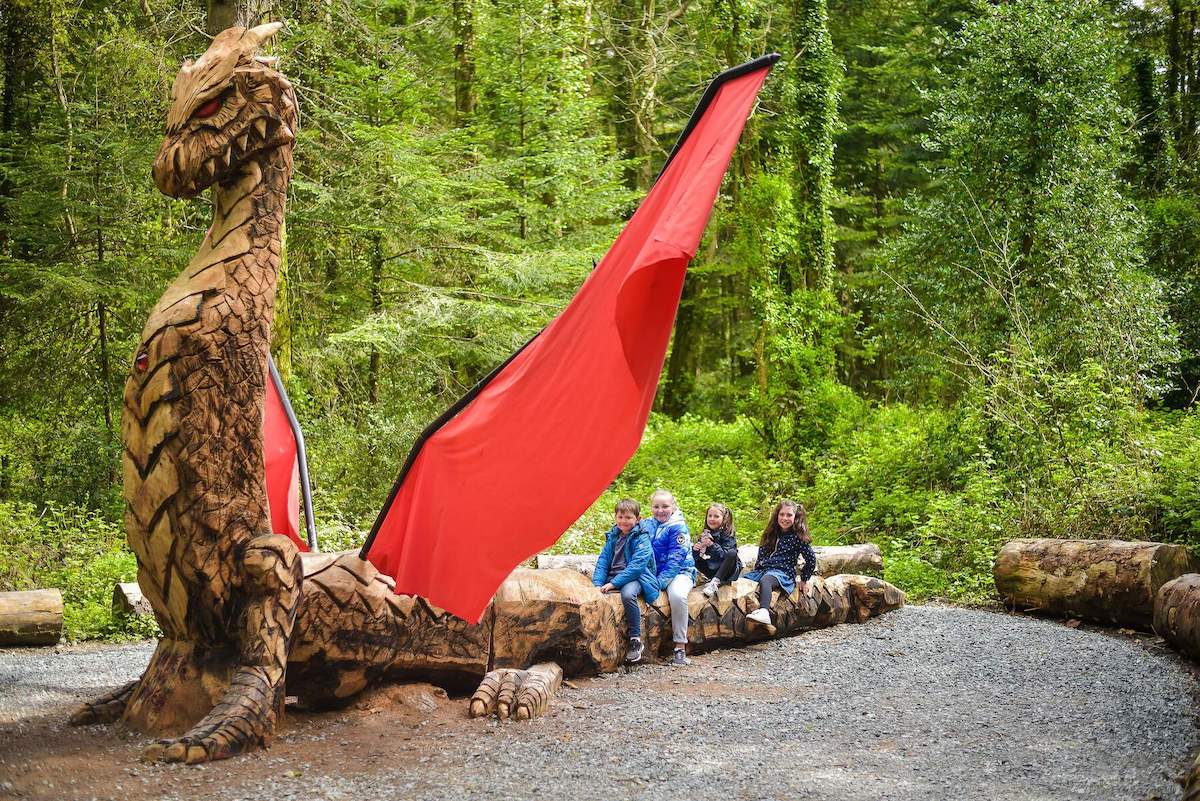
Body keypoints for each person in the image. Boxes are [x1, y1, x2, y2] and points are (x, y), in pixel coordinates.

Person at [593, 498, 659, 663]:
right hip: (614, 576)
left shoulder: (641, 538)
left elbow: (637, 566)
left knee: (628, 594)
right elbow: (603, 561)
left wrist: (614, 583)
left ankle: (635, 639)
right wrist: (597, 583)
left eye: (628, 517)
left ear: (638, 519)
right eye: (620, 517)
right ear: (615, 517)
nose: (624, 521)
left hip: (637, 577)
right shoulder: (614, 536)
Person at [743, 499, 816, 631]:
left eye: (789, 515)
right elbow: (762, 553)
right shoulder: (771, 533)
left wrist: (804, 579)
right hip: (764, 570)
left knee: (766, 580)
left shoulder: (797, 537)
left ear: (795, 517)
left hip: (783, 573)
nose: (785, 518)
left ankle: (764, 612)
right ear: (777, 515)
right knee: (742, 580)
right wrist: (757, 569)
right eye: (782, 514)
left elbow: (811, 558)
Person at [644, 489, 696, 666]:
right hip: (654, 573)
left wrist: (658, 584)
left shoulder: (678, 527)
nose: (660, 510)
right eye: (656, 506)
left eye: (665, 506)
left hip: (680, 572)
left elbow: (675, 560)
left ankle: (680, 647)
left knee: (677, 596)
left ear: (673, 507)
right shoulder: (647, 524)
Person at [694, 502, 741, 598]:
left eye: (716, 516)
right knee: (691, 551)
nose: (712, 519)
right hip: (711, 568)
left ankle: (715, 582)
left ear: (724, 519)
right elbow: (700, 556)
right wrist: (696, 550)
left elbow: (724, 556)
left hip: (727, 570)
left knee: (732, 553)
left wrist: (712, 545)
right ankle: (697, 577)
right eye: (710, 516)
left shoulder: (728, 535)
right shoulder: (705, 533)